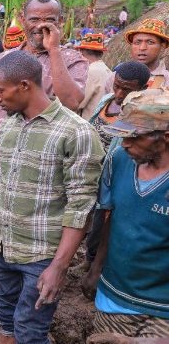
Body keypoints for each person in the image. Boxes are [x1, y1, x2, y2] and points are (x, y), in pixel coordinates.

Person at [0, 50, 104, 343]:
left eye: (1, 91)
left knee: (30, 330)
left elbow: (81, 208)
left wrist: (58, 267)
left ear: (25, 85)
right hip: (5, 247)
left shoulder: (75, 132)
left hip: (42, 256)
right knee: (5, 319)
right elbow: (6, 182)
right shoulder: (11, 124)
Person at [0, 0, 89, 291]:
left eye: (50, 20)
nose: (41, 25)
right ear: (22, 17)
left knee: (24, 230)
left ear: (61, 22)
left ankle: (9, 286)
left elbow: (72, 103)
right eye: (35, 19)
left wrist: (53, 50)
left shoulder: (73, 60)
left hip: (38, 166)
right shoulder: (5, 58)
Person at [80, 88, 169, 341]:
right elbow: (112, 217)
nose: (125, 143)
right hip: (115, 294)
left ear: (165, 137)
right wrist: (97, 267)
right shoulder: (119, 159)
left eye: (135, 136)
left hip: (162, 307)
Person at [74, 62, 151, 275]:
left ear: (143, 89)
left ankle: (94, 265)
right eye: (116, 86)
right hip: (90, 172)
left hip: (115, 178)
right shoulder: (106, 101)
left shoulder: (141, 115)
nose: (118, 93)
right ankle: (86, 260)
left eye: (126, 89)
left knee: (103, 223)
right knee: (82, 215)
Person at [117, 18, 169, 88]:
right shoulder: (116, 77)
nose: (142, 48)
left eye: (150, 42)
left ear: (163, 46)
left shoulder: (166, 81)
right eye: (137, 42)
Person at [76, 33, 112, 119]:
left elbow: (79, 103)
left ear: (82, 52)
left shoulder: (91, 71)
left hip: (89, 120)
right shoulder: (107, 70)